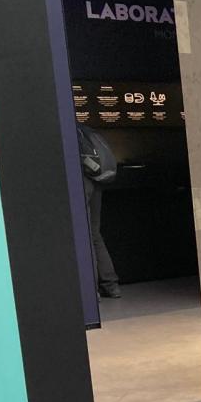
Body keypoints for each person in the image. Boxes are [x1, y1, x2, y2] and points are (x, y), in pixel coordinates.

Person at [76, 123, 121, 298]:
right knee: (94, 234)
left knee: (85, 234)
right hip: (96, 182)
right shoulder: (87, 130)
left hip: (82, 181)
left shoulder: (66, 130)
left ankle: (91, 289)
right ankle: (111, 285)